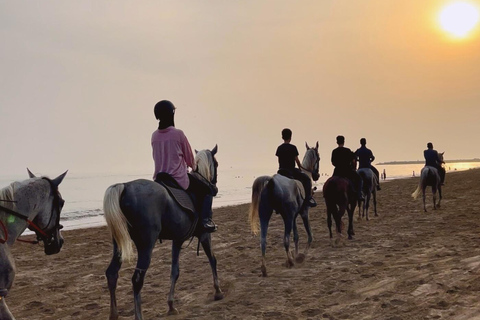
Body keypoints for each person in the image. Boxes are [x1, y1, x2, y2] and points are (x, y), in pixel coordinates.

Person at [151, 100, 217, 232]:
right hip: (177, 178)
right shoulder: (178, 134)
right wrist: (193, 167)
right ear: (172, 114)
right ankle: (205, 221)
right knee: (208, 190)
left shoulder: (154, 136)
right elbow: (189, 159)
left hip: (159, 178)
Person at [275, 128, 317, 207]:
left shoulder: (279, 148)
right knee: (307, 180)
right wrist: (300, 168)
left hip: (281, 170)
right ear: (291, 137)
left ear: (282, 137)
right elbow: (297, 161)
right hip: (291, 170)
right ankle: (308, 198)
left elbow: (279, 161)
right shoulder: (293, 147)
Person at [331, 135, 364, 200]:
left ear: (337, 142)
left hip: (337, 171)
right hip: (347, 171)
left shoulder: (334, 151)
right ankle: (359, 194)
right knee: (359, 179)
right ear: (344, 142)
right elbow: (352, 160)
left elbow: (333, 162)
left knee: (331, 182)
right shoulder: (347, 150)